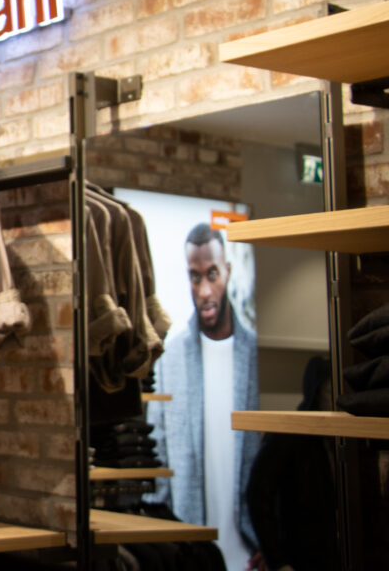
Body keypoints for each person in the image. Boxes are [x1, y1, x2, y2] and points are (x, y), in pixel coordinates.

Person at [149, 223, 260, 571]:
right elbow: (157, 457)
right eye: (195, 277)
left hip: (251, 553)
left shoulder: (255, 352)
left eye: (212, 274)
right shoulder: (170, 358)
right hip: (191, 553)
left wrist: (275, 541)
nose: (205, 290)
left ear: (227, 271)